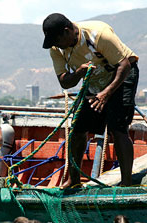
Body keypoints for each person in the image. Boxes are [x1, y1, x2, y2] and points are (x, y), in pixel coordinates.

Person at [42, 13, 139, 187]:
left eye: (57, 40)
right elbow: (64, 82)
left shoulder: (98, 33)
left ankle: (126, 182)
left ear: (67, 31)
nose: (56, 46)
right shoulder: (56, 49)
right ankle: (74, 179)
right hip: (94, 81)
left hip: (122, 75)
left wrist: (106, 94)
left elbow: (124, 65)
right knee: (78, 129)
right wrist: (78, 72)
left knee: (118, 129)